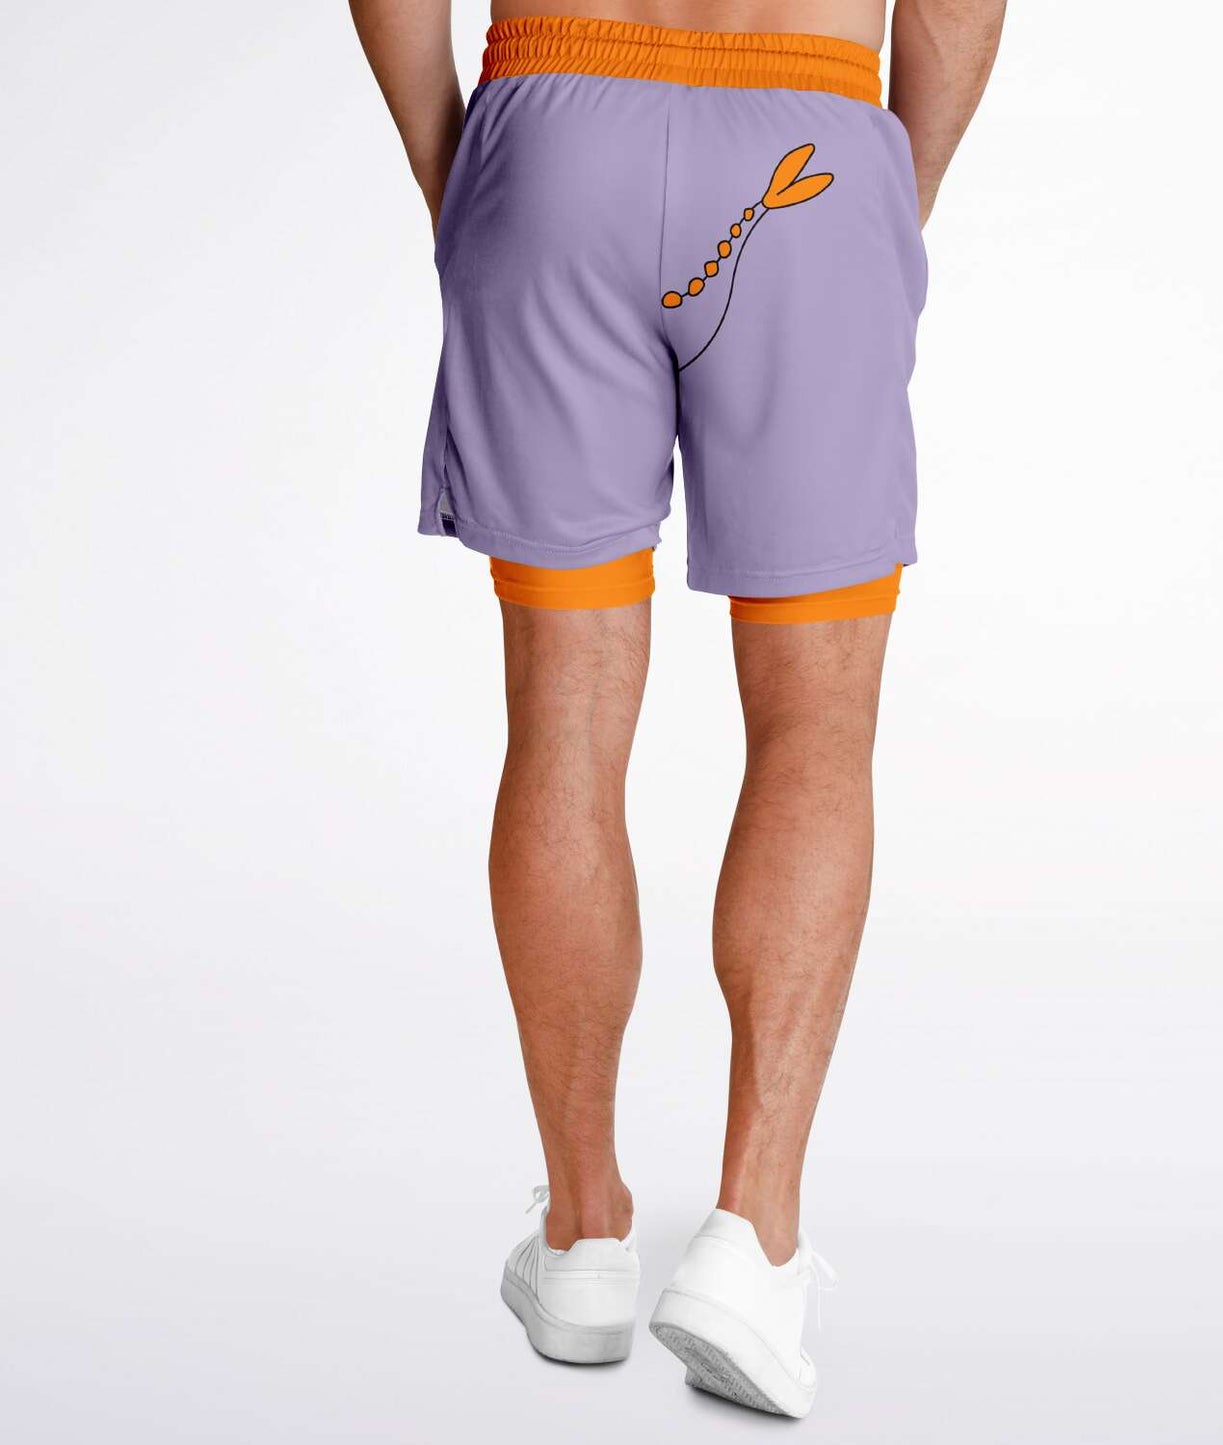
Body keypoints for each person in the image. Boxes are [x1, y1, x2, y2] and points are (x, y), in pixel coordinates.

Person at [350, 0, 1005, 1417]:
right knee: (815, 725)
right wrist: (882, 192)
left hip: (555, 130)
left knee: (564, 721)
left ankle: (584, 1236)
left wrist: (458, 170)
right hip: (809, 139)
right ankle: (750, 1243)